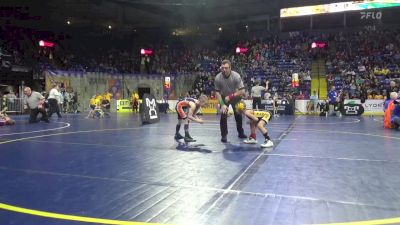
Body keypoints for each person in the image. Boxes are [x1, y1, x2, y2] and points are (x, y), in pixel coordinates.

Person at [214, 59, 247, 143]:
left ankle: (240, 132)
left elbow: (242, 91)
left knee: (238, 115)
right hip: (224, 97)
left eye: (226, 68)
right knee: (223, 115)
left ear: (230, 68)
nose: (224, 70)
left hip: (235, 97)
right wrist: (222, 104)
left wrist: (231, 96)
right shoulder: (218, 78)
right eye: (222, 68)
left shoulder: (236, 76)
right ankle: (224, 135)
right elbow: (217, 92)